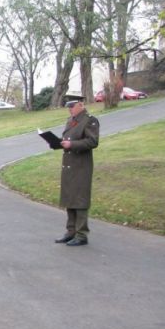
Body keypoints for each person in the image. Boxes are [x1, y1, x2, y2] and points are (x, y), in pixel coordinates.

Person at [55, 96, 100, 246]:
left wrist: (71, 144)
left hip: (81, 166)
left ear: (81, 105)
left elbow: (92, 141)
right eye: (68, 107)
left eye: (72, 106)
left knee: (80, 200)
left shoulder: (89, 120)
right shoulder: (71, 120)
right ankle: (71, 231)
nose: (70, 109)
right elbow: (67, 139)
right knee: (70, 198)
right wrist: (56, 143)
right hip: (69, 165)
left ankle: (81, 235)